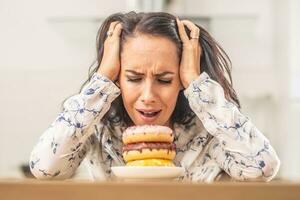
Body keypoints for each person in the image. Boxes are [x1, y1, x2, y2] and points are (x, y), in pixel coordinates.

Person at [29, 11, 280, 182]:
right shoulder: (98, 129)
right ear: (117, 77)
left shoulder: (208, 134)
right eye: (134, 78)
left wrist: (197, 83)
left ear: (181, 80)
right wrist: (103, 78)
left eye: (164, 80)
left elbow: (262, 168)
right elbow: (45, 168)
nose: (148, 96)